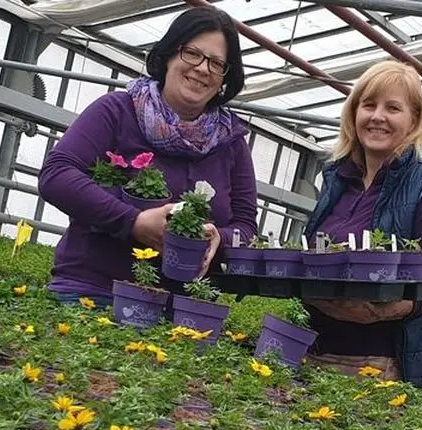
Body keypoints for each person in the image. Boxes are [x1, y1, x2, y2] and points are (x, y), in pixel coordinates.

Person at [38, 6, 258, 308]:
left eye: (217, 63)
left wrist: (218, 237)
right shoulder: (117, 111)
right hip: (92, 294)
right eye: (192, 53)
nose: (202, 68)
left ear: (224, 78)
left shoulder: (230, 142)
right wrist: (134, 221)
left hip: (183, 312)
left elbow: (245, 225)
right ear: (168, 55)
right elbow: (57, 175)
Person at [302, 60, 422, 391]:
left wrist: (383, 310)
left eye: (393, 108)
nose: (377, 116)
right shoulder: (336, 180)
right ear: (353, 113)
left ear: (413, 120)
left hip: (378, 363)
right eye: (368, 105)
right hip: (310, 347)